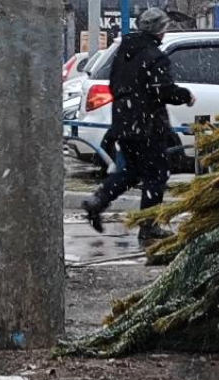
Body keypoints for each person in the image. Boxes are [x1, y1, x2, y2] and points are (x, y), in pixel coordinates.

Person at [82, 7, 195, 245]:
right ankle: (149, 226)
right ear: (159, 30)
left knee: (131, 171)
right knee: (157, 173)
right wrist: (185, 95)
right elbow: (162, 91)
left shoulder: (124, 52)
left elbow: (115, 85)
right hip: (147, 125)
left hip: (124, 122)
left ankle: (98, 201)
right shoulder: (155, 56)